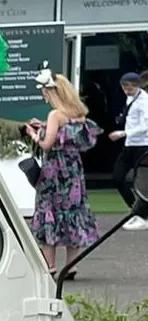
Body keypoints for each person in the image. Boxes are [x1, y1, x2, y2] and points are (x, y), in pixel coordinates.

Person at [26, 72, 99, 273]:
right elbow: (66, 135)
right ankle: (71, 264)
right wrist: (45, 126)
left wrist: (33, 134)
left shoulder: (55, 115)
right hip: (73, 168)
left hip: (54, 171)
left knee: (48, 210)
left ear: (52, 93)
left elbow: (47, 144)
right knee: (72, 211)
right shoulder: (77, 114)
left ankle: (50, 264)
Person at [107, 71, 148, 229]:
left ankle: (142, 215)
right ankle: (137, 211)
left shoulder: (144, 101)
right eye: (124, 87)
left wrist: (124, 133)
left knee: (142, 181)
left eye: (130, 88)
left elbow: (145, 126)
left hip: (142, 145)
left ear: (137, 86)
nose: (127, 91)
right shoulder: (130, 97)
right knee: (118, 177)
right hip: (129, 145)